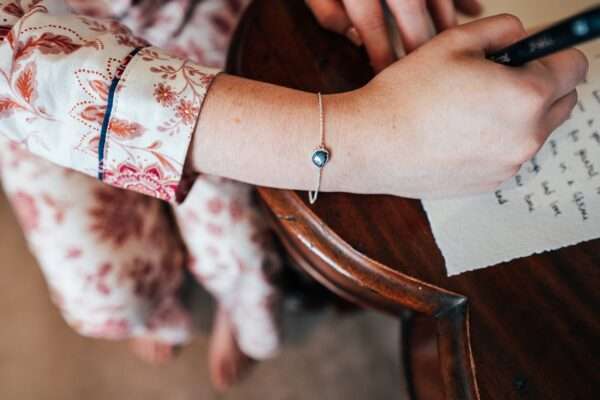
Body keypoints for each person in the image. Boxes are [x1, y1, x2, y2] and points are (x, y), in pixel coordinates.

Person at [0, 0, 587, 391]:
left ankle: (240, 306)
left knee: (240, 254)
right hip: (31, 72)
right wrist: (358, 139)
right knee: (106, 301)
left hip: (197, 14)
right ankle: (167, 311)